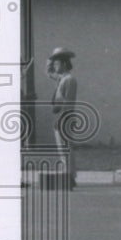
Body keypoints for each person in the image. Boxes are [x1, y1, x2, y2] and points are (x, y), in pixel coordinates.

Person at [46, 46, 78, 189]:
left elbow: (68, 101)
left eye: (57, 63)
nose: (55, 66)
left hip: (64, 116)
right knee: (63, 149)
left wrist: (60, 113)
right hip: (60, 116)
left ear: (65, 64)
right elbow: (49, 73)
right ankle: (69, 176)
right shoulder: (62, 79)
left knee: (65, 149)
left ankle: (69, 176)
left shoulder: (69, 80)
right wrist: (50, 62)